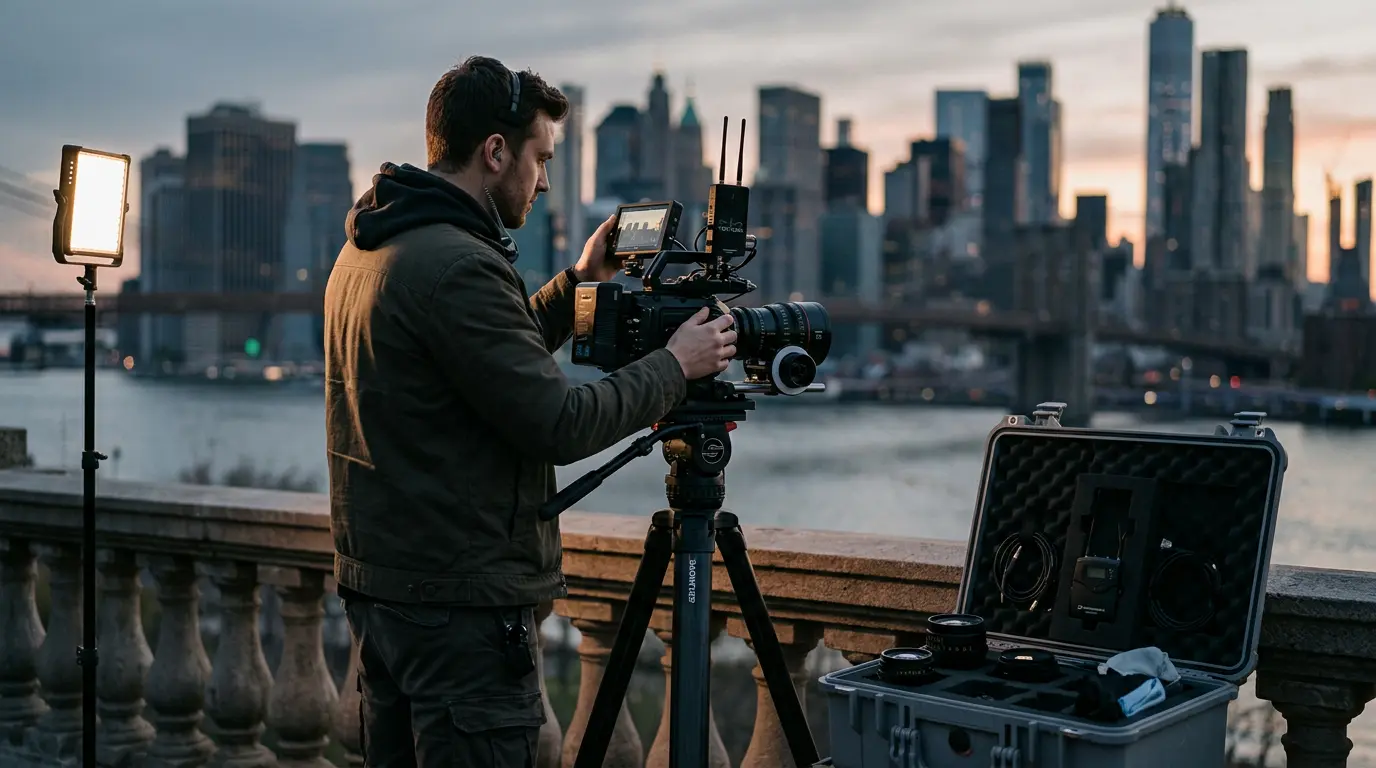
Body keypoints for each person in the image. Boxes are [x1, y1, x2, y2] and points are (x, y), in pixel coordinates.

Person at [322, 55, 737, 767]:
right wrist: (676, 365)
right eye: (539, 159)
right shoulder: (460, 265)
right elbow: (558, 422)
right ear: (494, 152)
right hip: (461, 618)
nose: (544, 180)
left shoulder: (372, 247)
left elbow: (482, 362)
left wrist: (579, 281)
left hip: (385, 598)